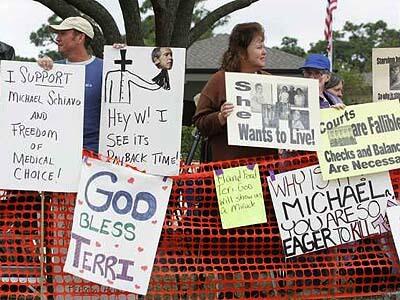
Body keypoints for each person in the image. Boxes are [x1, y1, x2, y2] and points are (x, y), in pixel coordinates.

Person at [193, 22, 276, 162]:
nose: (264, 52)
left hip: (266, 170)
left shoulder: (269, 81)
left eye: (264, 47)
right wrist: (220, 117)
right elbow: (200, 123)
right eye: (259, 47)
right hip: (232, 174)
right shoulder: (219, 80)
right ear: (242, 52)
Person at [38, 16, 103, 153]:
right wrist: (39, 70)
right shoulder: (52, 70)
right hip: (56, 153)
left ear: (80, 37)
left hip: (94, 158)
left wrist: (122, 54)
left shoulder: (105, 69)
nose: (57, 39)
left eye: (63, 33)